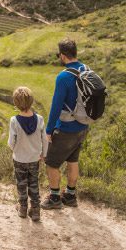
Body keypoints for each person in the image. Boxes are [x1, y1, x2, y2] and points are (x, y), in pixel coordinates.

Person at [42, 38, 88, 209]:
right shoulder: (86, 69)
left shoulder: (63, 77)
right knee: (73, 161)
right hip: (83, 126)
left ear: (62, 56)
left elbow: (56, 105)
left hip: (67, 128)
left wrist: (49, 129)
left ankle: (54, 198)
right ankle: (70, 195)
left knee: (52, 163)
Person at [8, 86, 48, 221]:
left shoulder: (14, 120)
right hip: (34, 158)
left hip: (19, 158)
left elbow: (11, 141)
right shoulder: (40, 119)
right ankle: (36, 211)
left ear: (16, 103)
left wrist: (14, 149)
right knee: (34, 183)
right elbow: (45, 139)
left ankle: (23, 209)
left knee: (21, 183)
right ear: (32, 101)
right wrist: (44, 153)